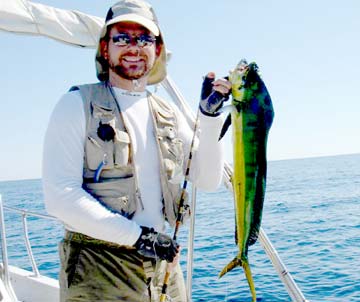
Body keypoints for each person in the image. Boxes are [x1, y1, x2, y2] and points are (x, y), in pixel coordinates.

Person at [42, 0, 231, 301]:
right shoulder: (75, 104)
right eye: (122, 38)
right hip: (98, 266)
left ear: (157, 50)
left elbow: (207, 180)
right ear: (105, 49)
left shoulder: (166, 112)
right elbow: (60, 196)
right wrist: (139, 237)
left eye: (144, 39)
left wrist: (209, 120)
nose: (134, 47)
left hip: (163, 265)